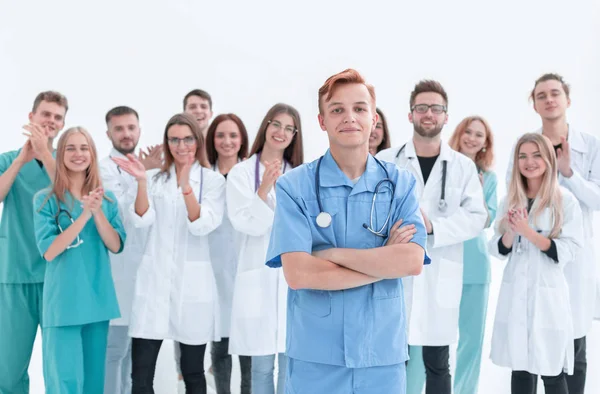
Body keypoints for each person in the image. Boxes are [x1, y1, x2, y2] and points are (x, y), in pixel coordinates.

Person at [265, 68, 429, 394]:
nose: (349, 117)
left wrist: (331, 255)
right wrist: (382, 263)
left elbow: (411, 261)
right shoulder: (294, 187)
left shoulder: (400, 184)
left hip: (381, 354)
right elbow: (298, 274)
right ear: (322, 120)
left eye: (359, 108)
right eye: (337, 110)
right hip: (316, 356)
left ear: (373, 118)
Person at [377, 80, 487, 394]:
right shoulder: (386, 160)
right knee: (393, 359)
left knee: (438, 361)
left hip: (441, 272)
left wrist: (433, 228)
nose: (429, 114)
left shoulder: (463, 166)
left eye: (436, 108)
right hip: (395, 272)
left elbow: (476, 216)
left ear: (445, 116)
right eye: (422, 107)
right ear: (410, 114)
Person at [113, 113, 226, 394]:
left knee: (193, 372)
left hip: (193, 288)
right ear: (167, 142)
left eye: (187, 139)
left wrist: (187, 187)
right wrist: (140, 181)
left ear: (197, 142)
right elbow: (141, 219)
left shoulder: (212, 182)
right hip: (154, 284)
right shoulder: (152, 178)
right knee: (140, 375)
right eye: (174, 139)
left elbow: (203, 226)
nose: (181, 145)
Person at [505, 73, 600, 394]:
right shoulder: (526, 147)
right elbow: (513, 193)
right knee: (529, 341)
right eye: (541, 95)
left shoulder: (591, 146)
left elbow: (597, 200)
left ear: (568, 100)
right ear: (533, 103)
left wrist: (569, 173)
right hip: (531, 258)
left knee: (574, 340)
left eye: (555, 93)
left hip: (574, 255)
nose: (549, 99)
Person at [33, 127, 126, 394]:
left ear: (92, 154)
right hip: (63, 305)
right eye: (71, 148)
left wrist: (96, 213)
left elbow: (116, 244)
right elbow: (49, 251)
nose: (78, 154)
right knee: (65, 384)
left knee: (93, 384)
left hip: (97, 302)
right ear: (60, 154)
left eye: (84, 148)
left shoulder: (106, 200)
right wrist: (84, 215)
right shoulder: (46, 200)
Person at [491, 133, 583, 394]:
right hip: (516, 294)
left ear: (547, 159)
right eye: (522, 156)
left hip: (548, 296)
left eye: (536, 155)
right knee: (520, 369)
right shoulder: (509, 200)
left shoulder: (565, 200)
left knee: (551, 371)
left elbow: (569, 249)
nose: (529, 162)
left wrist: (527, 231)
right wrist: (511, 230)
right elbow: (498, 248)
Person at [227, 103, 304, 394]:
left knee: (289, 363)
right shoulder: (241, 173)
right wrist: (263, 189)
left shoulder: (299, 174)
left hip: (291, 277)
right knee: (260, 367)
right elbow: (245, 224)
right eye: (276, 124)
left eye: (289, 128)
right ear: (266, 126)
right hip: (256, 276)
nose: (281, 132)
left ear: (295, 135)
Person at [0, 91, 68, 394]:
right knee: (8, 369)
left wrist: (46, 157)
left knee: (59, 367)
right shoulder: (7, 160)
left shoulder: (67, 164)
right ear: (32, 117)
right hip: (15, 274)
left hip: (57, 277)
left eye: (57, 117)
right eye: (46, 114)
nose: (51, 121)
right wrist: (21, 161)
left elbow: (71, 200)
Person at [99, 106, 162, 394]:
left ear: (139, 129)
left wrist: (145, 175)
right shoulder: (102, 169)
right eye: (119, 129)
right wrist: (143, 175)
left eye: (131, 128)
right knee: (114, 351)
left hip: (145, 272)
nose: (126, 134)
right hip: (118, 272)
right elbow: (120, 210)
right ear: (109, 133)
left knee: (131, 358)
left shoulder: (149, 168)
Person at [204, 114, 251, 394]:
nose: (227, 141)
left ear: (242, 139)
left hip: (245, 268)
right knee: (219, 347)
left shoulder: (249, 175)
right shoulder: (204, 176)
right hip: (211, 270)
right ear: (212, 140)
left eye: (233, 135)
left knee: (248, 349)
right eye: (221, 135)